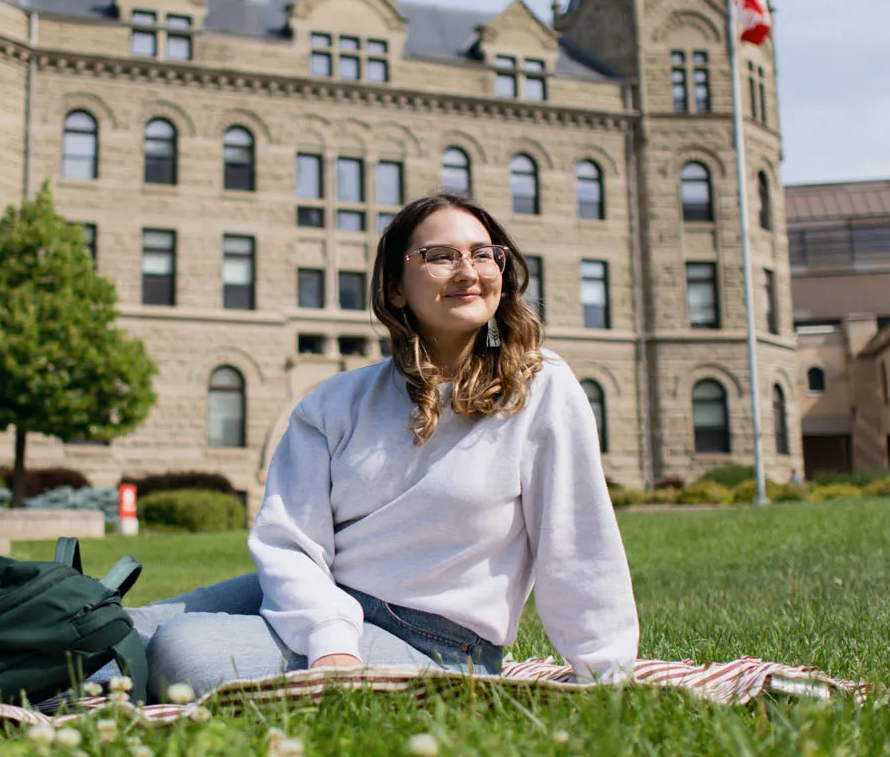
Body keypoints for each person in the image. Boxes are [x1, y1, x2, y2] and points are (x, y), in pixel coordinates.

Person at [119, 192, 639, 701]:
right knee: (119, 627)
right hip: (325, 595)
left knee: (183, 654)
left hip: (435, 644)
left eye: (484, 254)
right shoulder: (335, 402)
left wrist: (604, 671)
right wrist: (329, 633)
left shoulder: (541, 386)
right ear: (394, 289)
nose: (469, 270)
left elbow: (578, 540)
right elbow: (289, 543)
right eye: (440, 256)